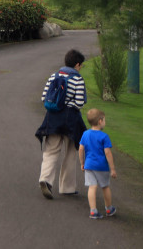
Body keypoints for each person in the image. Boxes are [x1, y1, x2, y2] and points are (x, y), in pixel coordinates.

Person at [35, 48, 87, 199]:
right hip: (71, 120)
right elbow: (79, 103)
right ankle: (67, 187)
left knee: (51, 151)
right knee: (70, 153)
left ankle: (45, 179)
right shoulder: (78, 79)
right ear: (77, 64)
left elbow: (44, 97)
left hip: (52, 118)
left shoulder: (54, 76)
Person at [79, 108, 117, 219]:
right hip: (101, 166)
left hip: (89, 165)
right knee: (105, 186)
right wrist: (112, 168)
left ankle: (93, 210)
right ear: (100, 121)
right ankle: (109, 208)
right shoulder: (104, 137)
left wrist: (82, 163)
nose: (105, 122)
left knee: (92, 187)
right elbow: (107, 152)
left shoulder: (85, 134)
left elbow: (81, 149)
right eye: (104, 120)